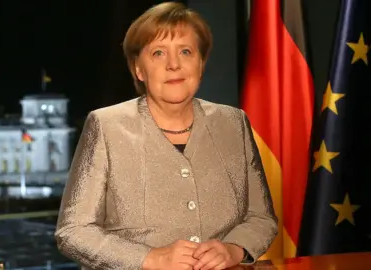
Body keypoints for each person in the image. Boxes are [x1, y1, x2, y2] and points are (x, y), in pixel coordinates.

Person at [55, 2, 277, 270]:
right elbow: (73, 231)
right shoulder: (106, 126)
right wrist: (150, 258)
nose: (174, 65)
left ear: (201, 63)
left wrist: (234, 249)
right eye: (159, 53)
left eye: (186, 51)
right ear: (139, 69)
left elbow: (261, 218)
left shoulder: (233, 123)